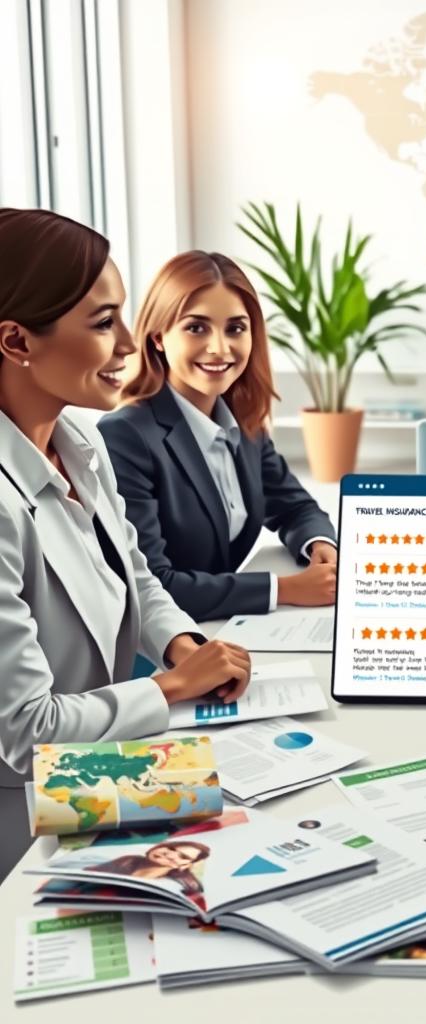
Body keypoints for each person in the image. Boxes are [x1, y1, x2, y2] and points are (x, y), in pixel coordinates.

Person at [0, 209, 252, 877]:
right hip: (27, 811)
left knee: (285, 810)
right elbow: (26, 733)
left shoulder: (78, 446)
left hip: (99, 762)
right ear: (17, 341)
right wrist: (171, 687)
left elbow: (135, 576)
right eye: (102, 323)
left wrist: (182, 645)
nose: (128, 347)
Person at [98, 251, 338, 623]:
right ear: (159, 337)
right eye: (197, 328)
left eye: (235, 328)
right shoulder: (126, 436)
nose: (220, 348)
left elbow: (295, 507)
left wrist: (318, 543)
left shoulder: (243, 424)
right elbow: (153, 584)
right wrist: (285, 588)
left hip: (221, 627)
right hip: (158, 650)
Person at [88, 840, 209, 896]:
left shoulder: (185, 886)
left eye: (183, 856)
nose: (170, 855)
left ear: (186, 865)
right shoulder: (129, 860)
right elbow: (89, 875)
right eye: (171, 848)